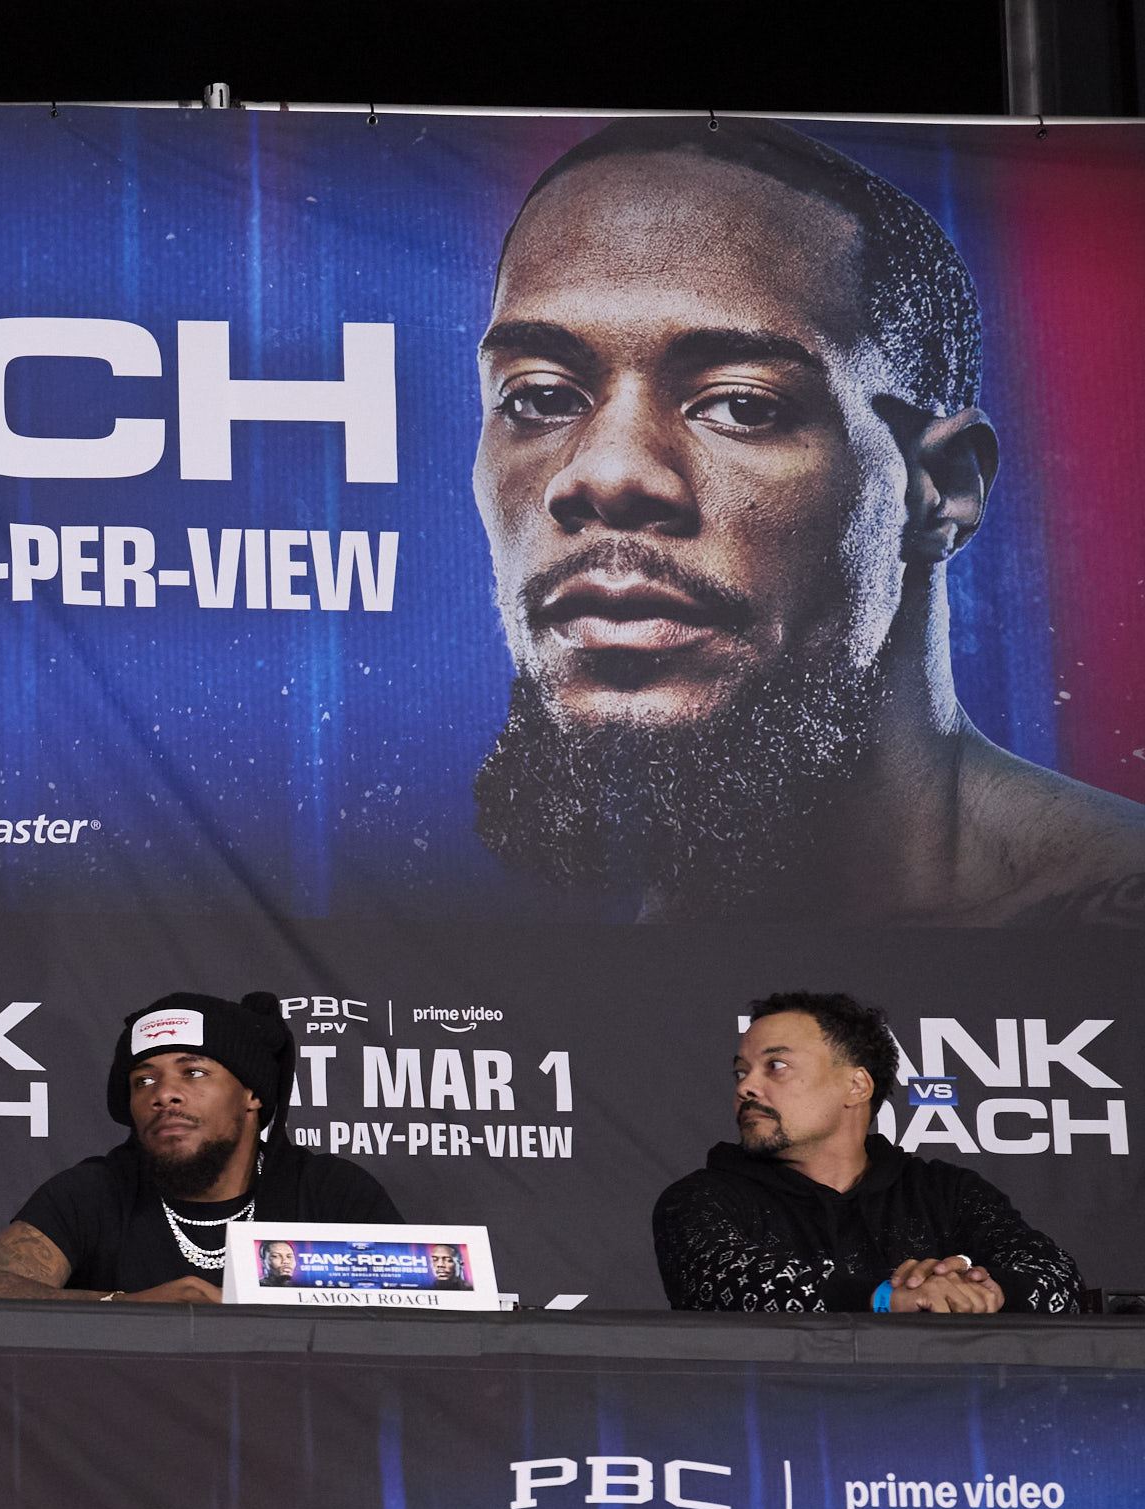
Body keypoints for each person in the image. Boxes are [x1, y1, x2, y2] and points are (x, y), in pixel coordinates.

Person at [469, 117, 1145, 926]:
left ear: (938, 489)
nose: (606, 476)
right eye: (539, 397)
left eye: (742, 405)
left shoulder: (1109, 929)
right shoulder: (510, 972)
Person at [0, 992, 403, 1304]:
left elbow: (414, 1314)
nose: (163, 1094)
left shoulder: (329, 1193)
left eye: (194, 1072)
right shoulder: (95, 1192)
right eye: (143, 1080)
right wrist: (130, 1308)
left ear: (252, 1094)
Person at [653, 990, 1082, 1314]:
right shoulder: (699, 1200)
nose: (746, 1086)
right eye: (740, 1072)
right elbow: (733, 1283)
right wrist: (889, 1299)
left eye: (776, 1066)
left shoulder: (946, 1192)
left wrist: (979, 1291)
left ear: (856, 1086)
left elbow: (1058, 1279)